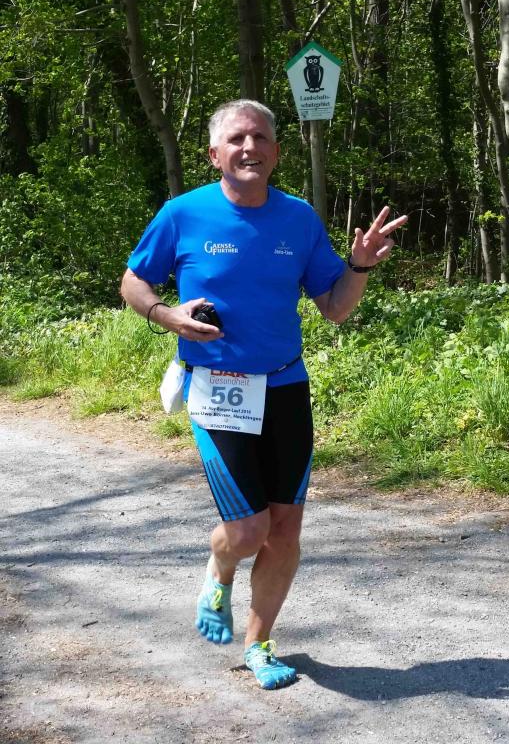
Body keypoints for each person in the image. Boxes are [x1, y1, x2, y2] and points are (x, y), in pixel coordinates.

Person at [120, 99, 407, 690]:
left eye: (259, 138)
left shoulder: (298, 218)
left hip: (285, 387)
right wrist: (167, 315)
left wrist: (358, 266)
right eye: (236, 139)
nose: (248, 147)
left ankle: (259, 645)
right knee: (248, 532)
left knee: (285, 531)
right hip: (217, 388)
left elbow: (335, 308)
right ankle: (220, 566)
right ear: (215, 154)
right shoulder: (182, 213)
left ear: (276, 151)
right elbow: (133, 281)